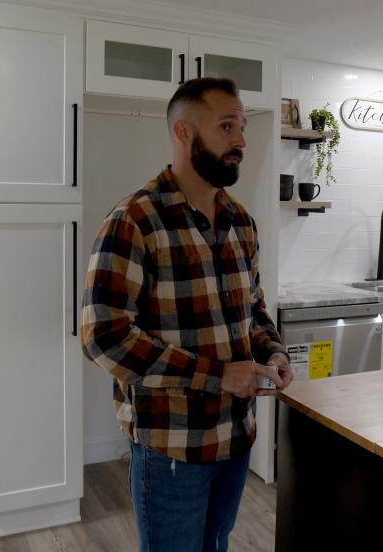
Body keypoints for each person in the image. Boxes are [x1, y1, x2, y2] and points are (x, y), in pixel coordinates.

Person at [81, 77, 293, 552]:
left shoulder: (241, 221)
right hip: (172, 447)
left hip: (237, 437)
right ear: (183, 133)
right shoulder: (134, 221)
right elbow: (104, 337)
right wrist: (217, 376)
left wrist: (273, 351)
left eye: (241, 127)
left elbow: (252, 310)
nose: (241, 140)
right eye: (226, 126)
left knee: (215, 544)